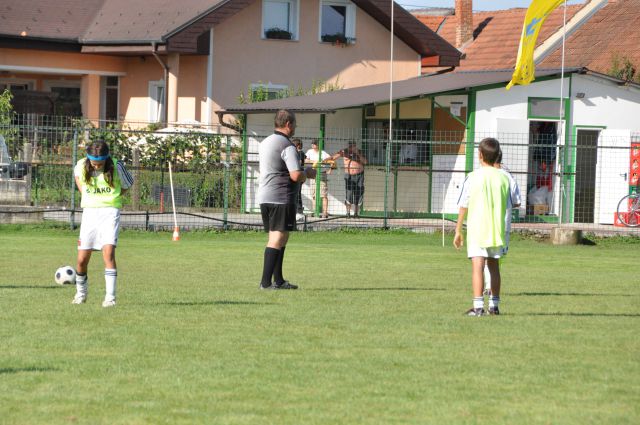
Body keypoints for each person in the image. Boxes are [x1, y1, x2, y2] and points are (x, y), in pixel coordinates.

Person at [257, 109, 315, 290]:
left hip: (265, 196)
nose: (296, 126)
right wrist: (308, 173)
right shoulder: (287, 145)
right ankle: (266, 283)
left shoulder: (266, 142)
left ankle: (279, 280)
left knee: (280, 238)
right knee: (277, 238)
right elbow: (296, 175)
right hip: (281, 197)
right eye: (295, 123)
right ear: (288, 124)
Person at [72, 140, 134, 307]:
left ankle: (110, 298)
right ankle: (80, 294)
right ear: (88, 159)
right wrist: (86, 195)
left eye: (100, 164)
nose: (97, 167)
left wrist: (114, 197)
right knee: (81, 260)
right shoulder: (81, 165)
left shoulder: (116, 165)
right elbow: (78, 177)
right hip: (90, 213)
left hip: (110, 212)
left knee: (108, 253)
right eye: (94, 163)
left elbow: (129, 183)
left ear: (106, 159)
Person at [453, 138, 510, 316]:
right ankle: (494, 306)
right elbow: (512, 203)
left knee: (478, 266)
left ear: (480, 155)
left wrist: (458, 229)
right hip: (496, 229)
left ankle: (478, 307)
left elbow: (464, 204)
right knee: (494, 267)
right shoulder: (504, 177)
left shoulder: (473, 177)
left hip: (478, 228)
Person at [483, 149, 521, 295]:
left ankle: (487, 287)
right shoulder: (508, 177)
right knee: (497, 258)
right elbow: (517, 202)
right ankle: (490, 287)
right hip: (503, 223)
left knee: (484, 256)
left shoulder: (482, 175)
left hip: (485, 221)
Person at [332, 140, 367, 218]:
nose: (351, 147)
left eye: (353, 145)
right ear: (348, 145)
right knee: (349, 194)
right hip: (349, 175)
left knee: (358, 194)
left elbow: (365, 162)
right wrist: (326, 161)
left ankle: (356, 213)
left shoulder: (359, 152)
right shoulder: (344, 151)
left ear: (355, 145)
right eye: (350, 145)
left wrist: (357, 153)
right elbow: (333, 157)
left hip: (359, 175)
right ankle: (348, 213)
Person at [305, 139, 332, 218]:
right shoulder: (310, 152)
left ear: (318, 145)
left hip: (321, 173)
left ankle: (325, 212)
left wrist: (329, 170)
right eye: (312, 144)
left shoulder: (323, 153)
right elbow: (305, 160)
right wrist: (315, 161)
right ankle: (315, 211)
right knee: (313, 194)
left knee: (323, 194)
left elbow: (331, 160)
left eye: (315, 144)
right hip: (312, 174)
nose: (313, 145)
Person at [292, 138, 306, 222]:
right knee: (296, 193)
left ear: (297, 145)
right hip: (297, 174)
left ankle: (299, 211)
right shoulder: (297, 153)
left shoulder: (300, 153)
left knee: (297, 193)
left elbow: (300, 162)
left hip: (298, 174)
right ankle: (296, 211)